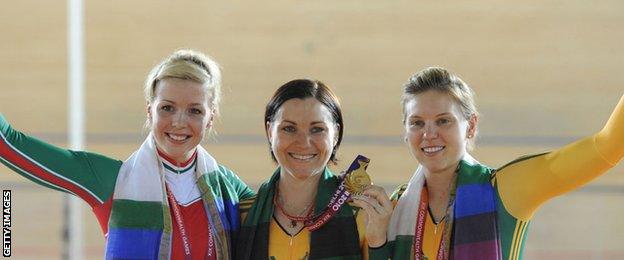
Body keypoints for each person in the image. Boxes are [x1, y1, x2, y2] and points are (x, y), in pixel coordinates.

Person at [0, 50, 254, 259]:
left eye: (195, 111)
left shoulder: (229, 188)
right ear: (149, 111)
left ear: (211, 118)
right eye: (167, 108)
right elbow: (7, 143)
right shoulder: (110, 180)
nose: (179, 122)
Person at [382, 67, 623, 260]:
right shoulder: (394, 206)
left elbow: (607, 145)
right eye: (417, 123)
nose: (429, 133)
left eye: (444, 121)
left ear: (471, 126)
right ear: (405, 131)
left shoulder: (508, 188)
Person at [235, 79, 393, 260]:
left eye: (317, 129)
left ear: (335, 135)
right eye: (289, 128)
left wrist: (378, 240)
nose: (303, 143)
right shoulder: (242, 214)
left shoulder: (362, 214)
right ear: (270, 131)